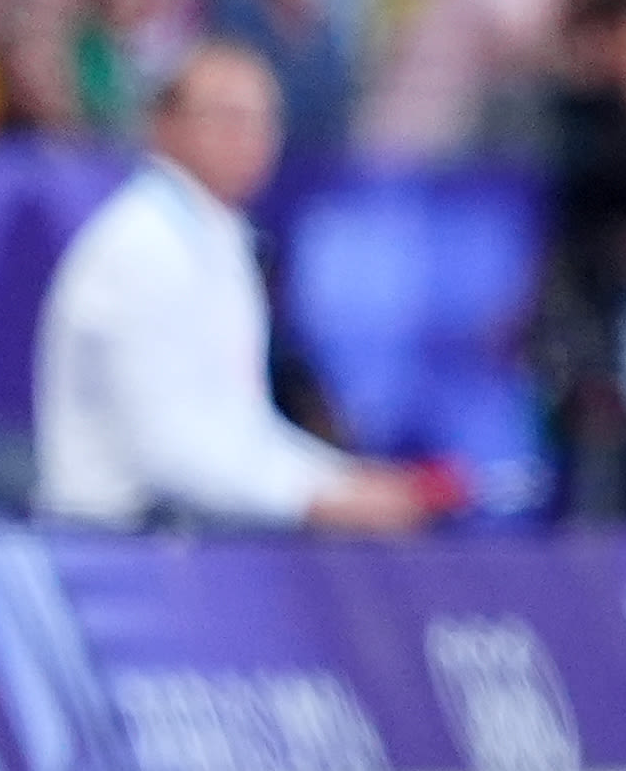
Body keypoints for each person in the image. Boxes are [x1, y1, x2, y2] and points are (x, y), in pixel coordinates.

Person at [33, 38, 444, 533]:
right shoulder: (141, 248)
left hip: (190, 538)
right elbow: (169, 449)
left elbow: (242, 428)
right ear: (166, 126)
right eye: (228, 117)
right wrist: (317, 498)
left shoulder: (218, 235)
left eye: (264, 119)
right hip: (119, 548)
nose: (250, 137)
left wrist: (345, 482)